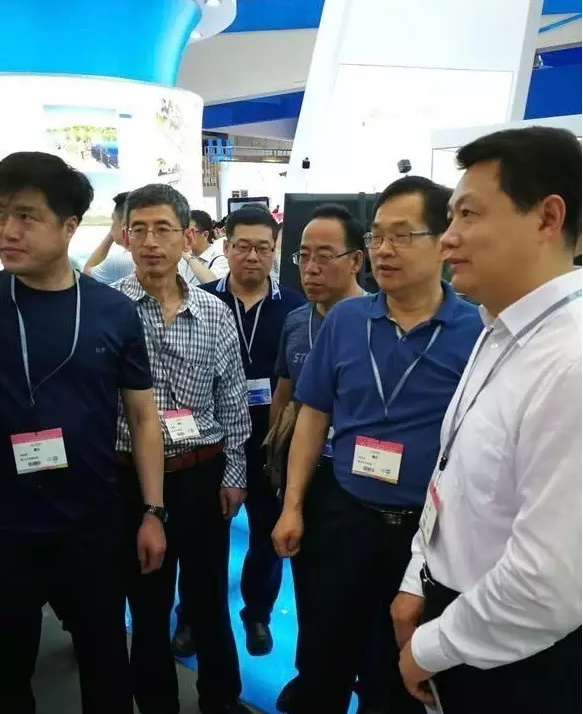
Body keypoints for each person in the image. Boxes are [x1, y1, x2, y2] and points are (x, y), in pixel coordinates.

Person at [272, 176, 483, 714]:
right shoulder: (346, 320)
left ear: (443, 242)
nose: (383, 250)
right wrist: (293, 505)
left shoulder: (476, 330)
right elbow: (313, 414)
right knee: (323, 652)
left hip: (425, 533)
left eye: (401, 235)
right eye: (377, 236)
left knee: (397, 669)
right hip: (343, 515)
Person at [394, 127, 582, 714]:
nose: (448, 236)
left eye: (469, 214)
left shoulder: (571, 362)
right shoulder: (497, 329)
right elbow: (452, 472)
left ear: (547, 218)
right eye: (451, 216)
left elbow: (547, 583)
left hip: (516, 654)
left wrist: (432, 647)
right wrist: (418, 576)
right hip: (460, 617)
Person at [0, 152, 165, 714]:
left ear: (70, 226)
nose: (8, 231)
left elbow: (143, 418)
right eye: (2, 214)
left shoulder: (112, 311)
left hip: (91, 524)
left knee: (105, 667)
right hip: (7, 527)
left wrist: (153, 511)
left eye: (26, 216)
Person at [113, 184, 253, 714]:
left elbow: (232, 398)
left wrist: (234, 474)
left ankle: (222, 698)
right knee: (147, 605)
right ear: (126, 237)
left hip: (201, 473)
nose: (150, 241)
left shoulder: (214, 313)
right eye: (139, 229)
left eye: (163, 229)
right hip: (130, 478)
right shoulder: (109, 310)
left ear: (186, 237)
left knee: (208, 598)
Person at [199, 205, 305, 657]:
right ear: (226, 248)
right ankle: (195, 615)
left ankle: (257, 613)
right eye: (242, 246)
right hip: (212, 438)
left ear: (275, 249)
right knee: (205, 535)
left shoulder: (296, 308)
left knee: (267, 532)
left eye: (263, 247)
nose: (253, 256)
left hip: (270, 438)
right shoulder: (202, 302)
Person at [83, 191, 133, 283]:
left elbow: (86, 276)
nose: (112, 226)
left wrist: (110, 236)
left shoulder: (122, 261)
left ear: (124, 225)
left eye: (113, 220)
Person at [181, 209, 229, 284]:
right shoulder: (181, 256)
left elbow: (214, 285)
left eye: (190, 232)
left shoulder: (220, 257)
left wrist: (188, 257)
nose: (184, 236)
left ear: (205, 235)